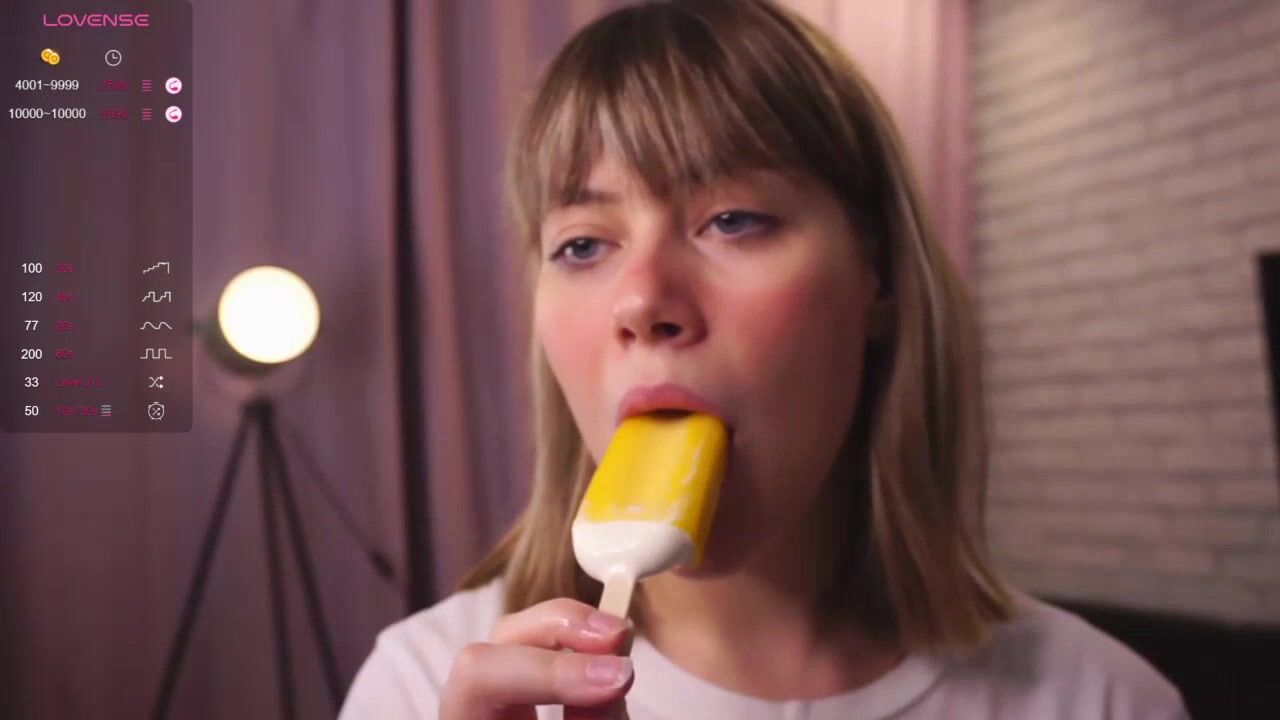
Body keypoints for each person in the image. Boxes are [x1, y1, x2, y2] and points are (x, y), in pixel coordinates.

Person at [340, 1, 1189, 718]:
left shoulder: (1103, 700)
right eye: (583, 244)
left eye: (732, 220)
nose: (642, 302)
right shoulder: (422, 688)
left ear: (877, 279)